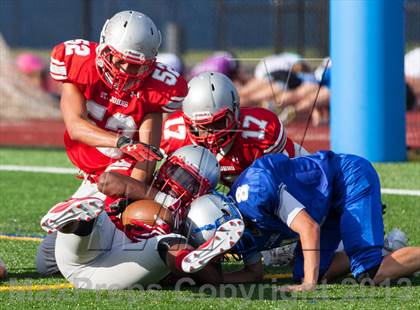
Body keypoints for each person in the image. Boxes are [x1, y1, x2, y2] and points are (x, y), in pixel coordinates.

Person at [36, 10, 188, 276]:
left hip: (120, 174)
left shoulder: (157, 89)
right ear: (105, 49)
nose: (128, 72)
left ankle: (158, 246)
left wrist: (127, 197)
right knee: (49, 263)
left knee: (51, 259)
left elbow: (146, 158)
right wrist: (121, 142)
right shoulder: (79, 64)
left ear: (150, 63)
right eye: (121, 61)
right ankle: (153, 248)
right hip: (95, 174)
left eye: (137, 65)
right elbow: (76, 127)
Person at [185, 151, 420, 291]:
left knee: (370, 273)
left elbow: (309, 227)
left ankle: (375, 254)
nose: (222, 250)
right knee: (315, 270)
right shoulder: (239, 222)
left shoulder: (255, 194)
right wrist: (217, 279)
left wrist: (309, 285)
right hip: (323, 203)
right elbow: (255, 273)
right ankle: (382, 249)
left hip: (346, 179)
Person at [37, 145, 220, 276]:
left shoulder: (196, 216)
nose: (177, 182)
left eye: (190, 183)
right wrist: (163, 199)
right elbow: (107, 181)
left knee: (169, 246)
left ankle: (181, 257)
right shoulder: (144, 178)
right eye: (176, 172)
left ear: (201, 194)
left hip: (129, 254)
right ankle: (75, 221)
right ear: (166, 166)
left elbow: (212, 274)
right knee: (45, 264)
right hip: (103, 232)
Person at [160, 72, 309, 187]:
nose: (210, 133)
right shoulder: (173, 135)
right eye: (202, 126)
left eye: (218, 123)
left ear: (236, 110)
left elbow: (293, 180)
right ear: (187, 121)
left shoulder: (261, 131)